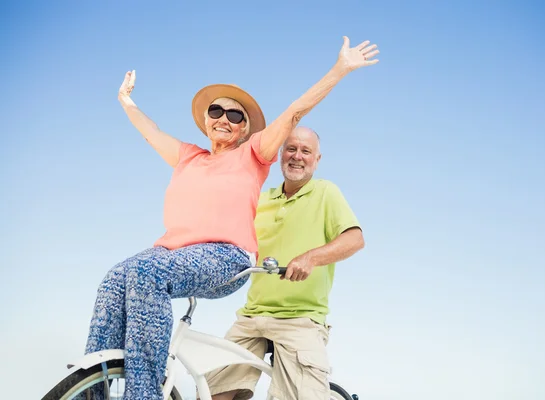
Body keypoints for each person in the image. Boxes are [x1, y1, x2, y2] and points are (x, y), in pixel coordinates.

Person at [77, 35, 379, 400]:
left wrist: (339, 70)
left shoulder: (253, 154)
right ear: (205, 120)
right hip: (172, 255)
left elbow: (295, 112)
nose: (224, 119)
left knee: (145, 276)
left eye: (235, 115)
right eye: (216, 112)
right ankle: (91, 390)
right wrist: (126, 102)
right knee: (114, 280)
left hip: (224, 257)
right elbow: (150, 131)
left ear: (244, 129)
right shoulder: (188, 156)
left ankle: (143, 394)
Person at [206, 126, 365, 400]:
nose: (297, 156)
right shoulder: (262, 200)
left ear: (317, 159)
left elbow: (355, 239)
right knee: (211, 391)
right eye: (291, 149)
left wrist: (310, 257)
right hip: (253, 315)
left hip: (300, 318)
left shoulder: (326, 192)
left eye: (306, 151)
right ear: (281, 154)